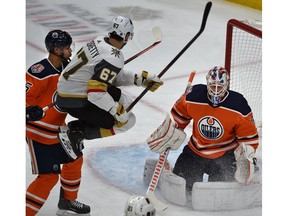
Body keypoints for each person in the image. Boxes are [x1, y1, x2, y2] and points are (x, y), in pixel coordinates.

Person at [56, 16, 163, 159]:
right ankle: (77, 132)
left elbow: (107, 78)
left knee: (127, 105)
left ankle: (80, 127)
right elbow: (95, 93)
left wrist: (138, 79)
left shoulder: (99, 41)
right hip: (76, 100)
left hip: (67, 91)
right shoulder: (114, 57)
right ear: (125, 35)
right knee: (124, 121)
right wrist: (115, 110)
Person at [146, 66, 260, 192]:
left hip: (225, 156)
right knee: (183, 188)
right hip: (195, 152)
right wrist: (171, 130)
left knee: (219, 192)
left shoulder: (238, 105)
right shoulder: (193, 96)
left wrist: (247, 156)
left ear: (226, 84)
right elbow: (179, 116)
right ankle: (167, 168)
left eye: (219, 86)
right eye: (212, 86)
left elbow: (248, 137)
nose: (215, 90)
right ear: (207, 83)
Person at [26, 30, 90, 216]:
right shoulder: (40, 71)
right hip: (38, 131)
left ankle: (67, 201)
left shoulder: (67, 70)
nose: (70, 51)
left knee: (75, 159)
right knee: (48, 177)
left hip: (57, 130)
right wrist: (28, 109)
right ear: (56, 49)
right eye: (67, 48)